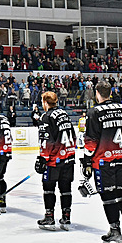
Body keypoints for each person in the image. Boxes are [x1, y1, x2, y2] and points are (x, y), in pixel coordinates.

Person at [82, 81, 122, 243]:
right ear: (111, 92)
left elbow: (91, 143)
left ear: (97, 93)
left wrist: (86, 161)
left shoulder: (94, 112)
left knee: (108, 197)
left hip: (103, 161)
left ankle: (115, 231)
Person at [35, 91, 76, 231]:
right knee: (65, 188)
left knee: (48, 188)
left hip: (54, 160)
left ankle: (49, 217)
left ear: (45, 102)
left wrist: (42, 158)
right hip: (68, 157)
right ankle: (66, 216)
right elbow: (74, 136)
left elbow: (46, 140)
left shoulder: (46, 117)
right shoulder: (64, 114)